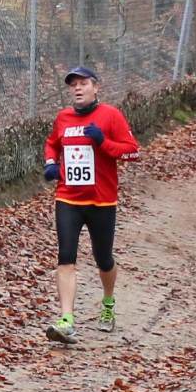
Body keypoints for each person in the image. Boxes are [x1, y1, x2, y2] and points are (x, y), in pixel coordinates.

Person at [42, 66, 141, 342]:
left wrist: (104, 142)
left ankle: (108, 302)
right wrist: (50, 163)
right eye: (73, 84)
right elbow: (52, 144)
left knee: (103, 259)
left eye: (83, 83)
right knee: (66, 257)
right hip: (68, 199)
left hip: (102, 201)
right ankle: (67, 319)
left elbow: (133, 152)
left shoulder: (111, 115)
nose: (77, 88)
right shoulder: (63, 117)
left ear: (96, 87)